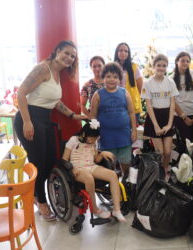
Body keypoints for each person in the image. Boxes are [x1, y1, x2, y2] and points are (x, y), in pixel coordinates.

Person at [14, 40, 84, 221]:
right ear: (57, 50)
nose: (69, 58)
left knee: (50, 161)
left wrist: (73, 116)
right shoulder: (43, 69)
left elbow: (54, 102)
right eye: (67, 53)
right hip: (29, 119)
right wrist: (27, 122)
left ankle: (36, 195)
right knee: (38, 163)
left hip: (44, 120)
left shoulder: (57, 73)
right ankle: (42, 203)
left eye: (73, 56)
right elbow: (21, 92)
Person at [61, 119, 126, 222]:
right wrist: (72, 169)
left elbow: (96, 159)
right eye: (91, 138)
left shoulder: (94, 141)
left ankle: (117, 210)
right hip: (78, 168)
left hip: (91, 166)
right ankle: (95, 209)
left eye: (95, 138)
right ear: (84, 133)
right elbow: (64, 159)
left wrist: (102, 154)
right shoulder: (73, 140)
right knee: (89, 178)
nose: (92, 141)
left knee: (113, 175)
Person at [90, 62, 137, 177]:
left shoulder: (124, 92)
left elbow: (131, 112)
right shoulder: (98, 94)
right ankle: (112, 189)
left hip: (124, 136)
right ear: (103, 78)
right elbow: (93, 116)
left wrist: (134, 130)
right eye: (108, 76)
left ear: (120, 79)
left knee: (126, 164)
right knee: (109, 167)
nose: (112, 79)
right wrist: (95, 135)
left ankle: (127, 185)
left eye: (115, 77)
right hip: (106, 137)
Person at [141, 54, 179, 178]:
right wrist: (156, 126)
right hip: (154, 118)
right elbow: (148, 105)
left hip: (167, 116)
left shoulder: (170, 82)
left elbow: (173, 104)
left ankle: (165, 170)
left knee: (168, 152)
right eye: (158, 65)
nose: (161, 68)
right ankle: (157, 174)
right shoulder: (147, 83)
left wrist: (169, 124)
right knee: (160, 152)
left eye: (164, 66)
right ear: (153, 66)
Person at [171, 52, 193, 142]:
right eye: (182, 61)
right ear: (177, 61)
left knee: (192, 143)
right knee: (182, 143)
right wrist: (184, 117)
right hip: (179, 115)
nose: (185, 63)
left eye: (187, 61)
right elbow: (172, 101)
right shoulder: (171, 78)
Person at [114, 42, 143, 123]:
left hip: (133, 104)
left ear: (128, 53)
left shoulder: (134, 67)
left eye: (126, 51)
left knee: (131, 131)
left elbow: (140, 85)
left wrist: (136, 98)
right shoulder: (112, 66)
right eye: (120, 50)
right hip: (116, 104)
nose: (123, 53)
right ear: (117, 52)